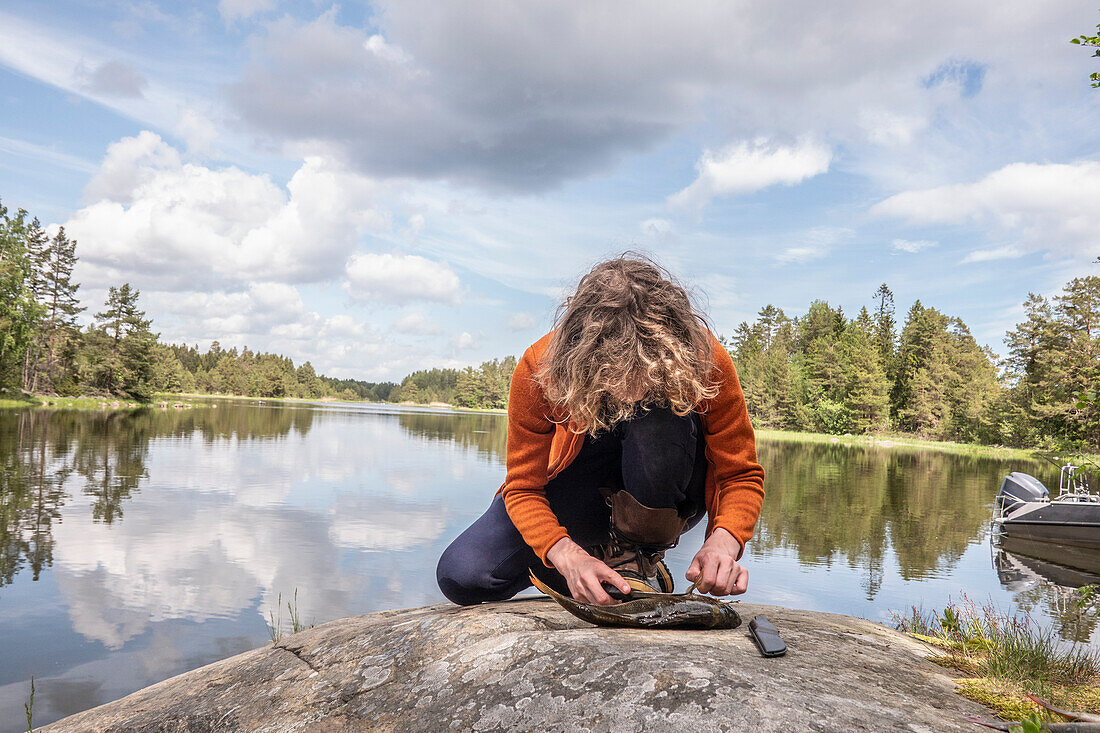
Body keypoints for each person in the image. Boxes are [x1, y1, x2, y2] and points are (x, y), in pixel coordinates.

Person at [436, 254, 764, 606]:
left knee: (657, 419)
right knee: (462, 575)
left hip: (665, 482)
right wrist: (565, 555)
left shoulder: (702, 358)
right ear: (583, 354)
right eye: (619, 373)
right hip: (579, 490)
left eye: (648, 374)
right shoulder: (539, 367)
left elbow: (740, 475)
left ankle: (638, 557)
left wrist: (724, 541)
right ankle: (597, 565)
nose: (634, 391)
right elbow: (523, 488)